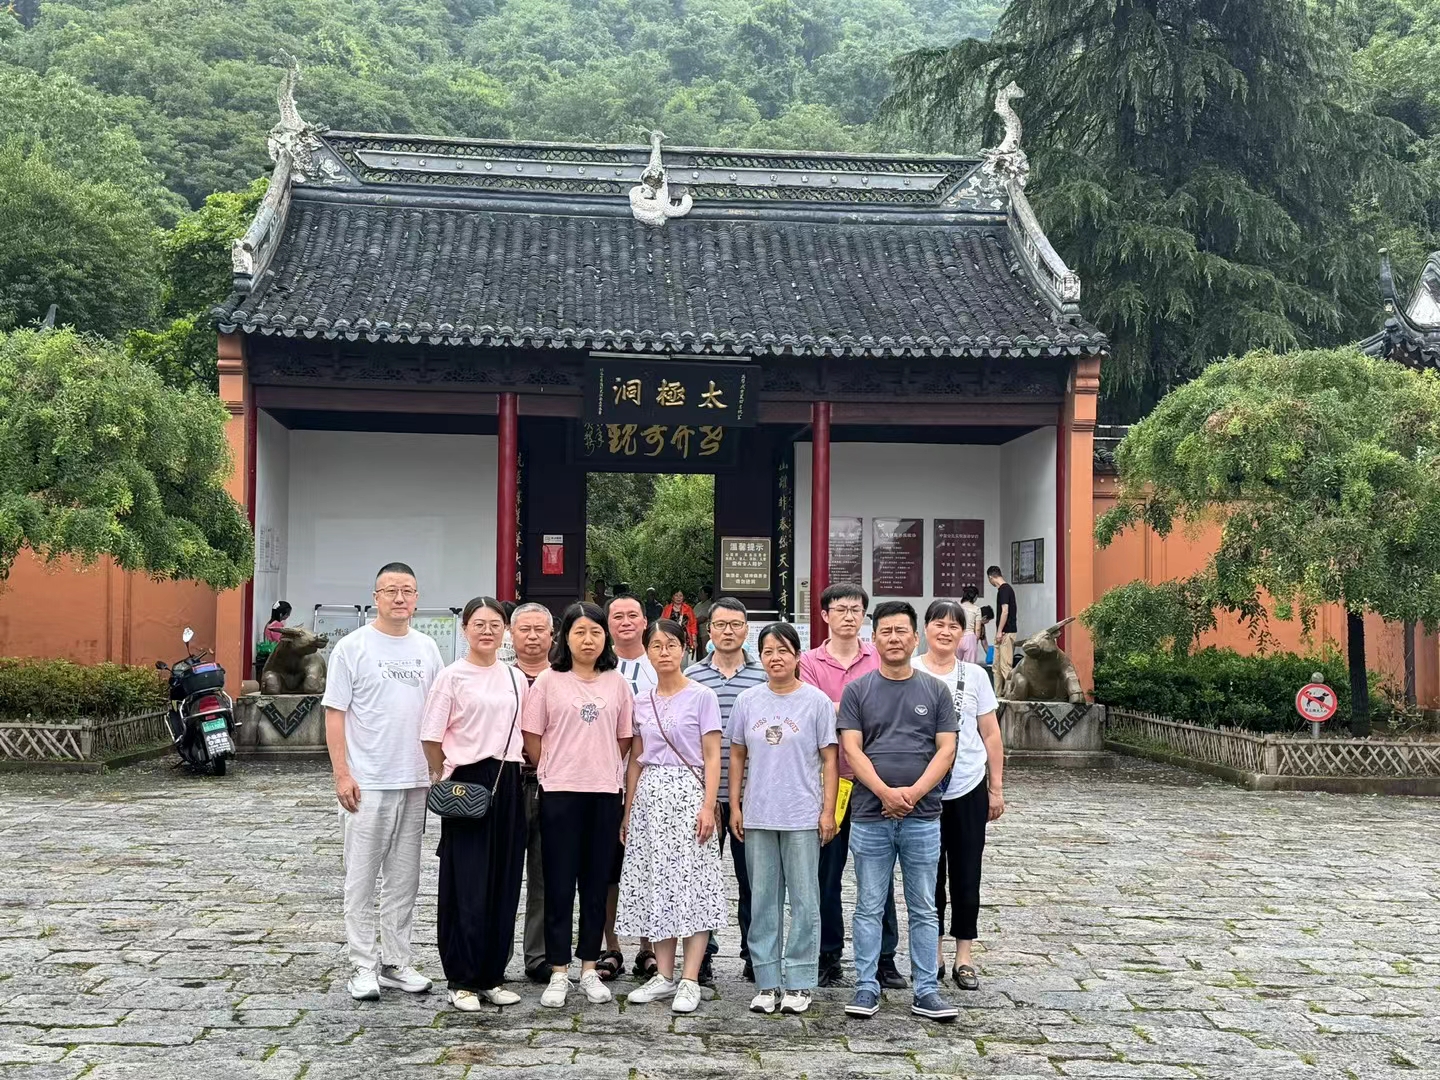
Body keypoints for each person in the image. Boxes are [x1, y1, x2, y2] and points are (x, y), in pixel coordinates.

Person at [323, 562, 444, 1002]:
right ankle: (362, 964)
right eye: (390, 590)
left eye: (407, 590)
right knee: (361, 877)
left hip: (414, 780)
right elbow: (334, 713)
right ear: (375, 597)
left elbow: (439, 712)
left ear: (417, 598)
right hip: (368, 782)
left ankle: (396, 961)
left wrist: (438, 768)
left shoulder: (427, 648)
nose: (399, 598)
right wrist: (342, 773)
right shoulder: (352, 647)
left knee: (404, 879)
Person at [839, 600, 959, 1022]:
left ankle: (927, 990)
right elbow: (852, 749)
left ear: (915, 637)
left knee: (924, 906)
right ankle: (866, 985)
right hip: (870, 816)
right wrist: (885, 793)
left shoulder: (936, 691)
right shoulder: (857, 691)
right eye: (886, 631)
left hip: (923, 817)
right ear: (874, 638)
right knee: (869, 905)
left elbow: (946, 749)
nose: (894, 638)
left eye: (901, 631)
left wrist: (913, 793)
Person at [521, 602, 634, 1009]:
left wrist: (598, 764)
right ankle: (558, 970)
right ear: (565, 638)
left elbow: (624, 738)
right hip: (559, 793)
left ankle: (589, 967)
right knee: (558, 882)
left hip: (604, 793)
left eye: (595, 632)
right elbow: (532, 736)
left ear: (606, 638)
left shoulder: (617, 684)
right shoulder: (548, 681)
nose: (588, 640)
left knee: (595, 883)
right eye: (579, 632)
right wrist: (556, 766)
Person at [421, 597, 529, 1011]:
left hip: (508, 779)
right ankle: (461, 978)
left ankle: (491, 975)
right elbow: (431, 737)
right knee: (465, 882)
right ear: (465, 628)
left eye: (495, 624)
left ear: (505, 631)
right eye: (479, 624)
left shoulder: (515, 677)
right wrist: (443, 777)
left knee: (504, 879)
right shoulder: (451, 677)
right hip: (466, 782)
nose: (487, 631)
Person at [616, 619, 726, 1015]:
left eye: (671, 645)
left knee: (693, 885)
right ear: (647, 651)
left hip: (689, 794)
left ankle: (690, 978)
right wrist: (628, 810)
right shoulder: (642, 701)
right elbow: (636, 759)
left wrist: (709, 805)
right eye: (656, 645)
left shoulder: (702, 696)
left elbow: (712, 756)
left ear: (685, 648)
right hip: (650, 798)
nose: (664, 652)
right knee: (657, 883)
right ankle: (663, 975)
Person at [728, 622, 838, 1016]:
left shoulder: (816, 702)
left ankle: (800, 981)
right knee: (762, 900)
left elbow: (830, 759)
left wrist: (827, 811)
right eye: (768, 651)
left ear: (797, 656)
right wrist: (736, 805)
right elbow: (737, 754)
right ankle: (767, 981)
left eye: (783, 651)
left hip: (802, 815)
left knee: (805, 901)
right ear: (760, 657)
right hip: (759, 813)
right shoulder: (748, 701)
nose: (775, 658)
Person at [798, 583, 904, 990]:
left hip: (875, 782)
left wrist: (840, 708)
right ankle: (827, 954)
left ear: (864, 615)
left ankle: (884, 957)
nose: (848, 616)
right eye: (840, 609)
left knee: (879, 875)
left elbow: (890, 707)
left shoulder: (879, 656)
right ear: (825, 615)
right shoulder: (809, 661)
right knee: (825, 874)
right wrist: (861, 708)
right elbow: (811, 711)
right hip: (826, 783)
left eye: (856, 609)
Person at [911, 600, 1005, 991]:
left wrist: (995, 787)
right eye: (939, 624)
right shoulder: (910, 670)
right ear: (925, 629)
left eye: (955, 626)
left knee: (967, 873)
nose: (946, 631)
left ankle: (964, 956)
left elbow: (991, 734)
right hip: (922, 790)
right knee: (927, 875)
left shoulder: (976, 675)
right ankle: (931, 953)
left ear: (963, 633)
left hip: (967, 786)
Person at [685, 597, 767, 983]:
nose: (728, 631)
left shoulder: (764, 674)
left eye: (736, 624)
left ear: (746, 629)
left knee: (754, 881)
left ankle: (755, 953)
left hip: (753, 795)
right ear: (709, 630)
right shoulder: (692, 676)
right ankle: (701, 955)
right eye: (720, 625)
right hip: (702, 797)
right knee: (700, 879)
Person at [602, 595, 657, 980]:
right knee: (608, 870)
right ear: (608, 624)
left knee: (649, 866)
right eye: (617, 616)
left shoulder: (660, 662)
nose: (625, 621)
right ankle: (611, 946)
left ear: (644, 621)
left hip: (652, 781)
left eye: (632, 615)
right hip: (605, 780)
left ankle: (648, 947)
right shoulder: (599, 665)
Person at [506, 602, 555, 985]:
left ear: (553, 636)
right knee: (502, 873)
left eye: (540, 629)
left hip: (552, 786)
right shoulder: (499, 676)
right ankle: (496, 952)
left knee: (545, 875)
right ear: (511, 634)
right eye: (525, 629)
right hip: (506, 783)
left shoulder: (564, 678)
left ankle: (538, 955)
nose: (533, 636)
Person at [988, 566, 1018, 693]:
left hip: (1006, 632)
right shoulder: (1003, 590)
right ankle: (998, 694)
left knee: (1005, 666)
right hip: (1001, 633)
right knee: (996, 666)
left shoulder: (1004, 590)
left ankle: (1011, 695)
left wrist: (1000, 631)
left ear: (991, 577)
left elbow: (1005, 611)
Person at [958, 587, 983, 664]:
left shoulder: (957, 606)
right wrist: (975, 640)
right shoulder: (976, 609)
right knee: (970, 666)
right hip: (970, 637)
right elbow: (978, 629)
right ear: (975, 597)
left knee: (955, 664)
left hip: (957, 637)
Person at [692, 585, 715, 657]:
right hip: (696, 632)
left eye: (701, 592)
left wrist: (691, 622)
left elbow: (703, 618)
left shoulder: (709, 604)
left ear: (706, 594)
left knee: (705, 651)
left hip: (705, 632)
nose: (699, 594)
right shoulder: (698, 605)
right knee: (698, 653)